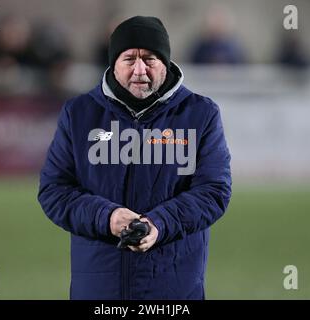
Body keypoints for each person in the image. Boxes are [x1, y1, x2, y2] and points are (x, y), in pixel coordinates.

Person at [38, 16, 232, 300]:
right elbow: (55, 190)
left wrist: (159, 225)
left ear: (165, 63)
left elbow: (214, 191)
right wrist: (108, 218)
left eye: (150, 58)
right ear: (113, 63)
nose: (140, 69)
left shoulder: (200, 115)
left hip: (174, 293)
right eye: (129, 58)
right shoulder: (79, 114)